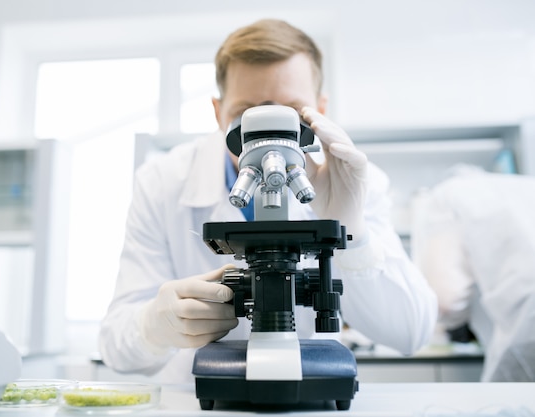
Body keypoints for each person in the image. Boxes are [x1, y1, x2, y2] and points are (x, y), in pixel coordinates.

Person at [99, 18, 438, 384]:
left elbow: (410, 332)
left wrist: (350, 230)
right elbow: (114, 346)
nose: (267, 136)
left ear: (319, 110)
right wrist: (154, 327)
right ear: (218, 113)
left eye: (291, 112)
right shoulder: (162, 182)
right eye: (246, 116)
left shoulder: (357, 182)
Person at [411, 165, 535, 382]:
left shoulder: (445, 196)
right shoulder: (524, 186)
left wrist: (450, 324)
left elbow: (447, 301)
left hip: (526, 330)